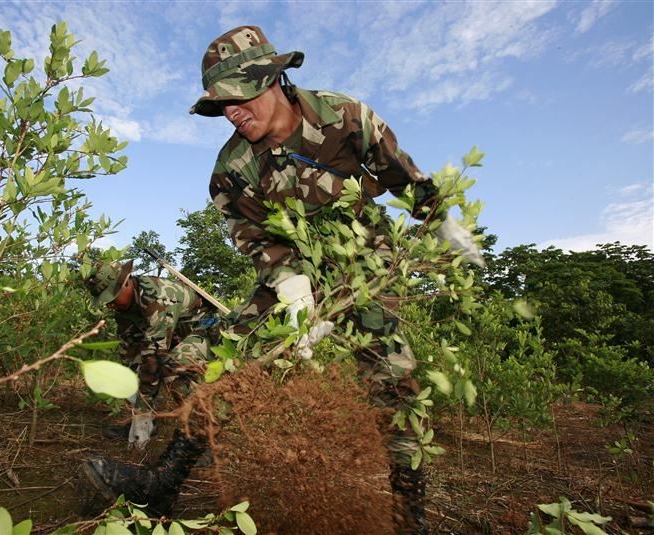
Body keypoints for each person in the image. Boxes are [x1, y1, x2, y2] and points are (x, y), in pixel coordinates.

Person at [84, 26, 484, 529]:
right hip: (289, 276)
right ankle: (163, 484)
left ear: (272, 78)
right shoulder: (232, 169)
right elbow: (254, 239)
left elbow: (401, 174)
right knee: (215, 362)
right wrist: (294, 289)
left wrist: (440, 217)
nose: (231, 112)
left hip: (362, 273)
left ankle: (411, 519)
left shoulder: (345, 116)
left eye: (237, 98)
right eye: (221, 105)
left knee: (397, 387)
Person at [85, 260, 218, 449]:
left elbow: (153, 360)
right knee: (129, 370)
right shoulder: (122, 310)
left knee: (172, 367)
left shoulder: (157, 298)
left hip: (202, 329)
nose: (110, 305)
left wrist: (141, 412)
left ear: (126, 283)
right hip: (172, 332)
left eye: (112, 298)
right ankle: (150, 424)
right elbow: (129, 350)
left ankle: (202, 437)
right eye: (106, 301)